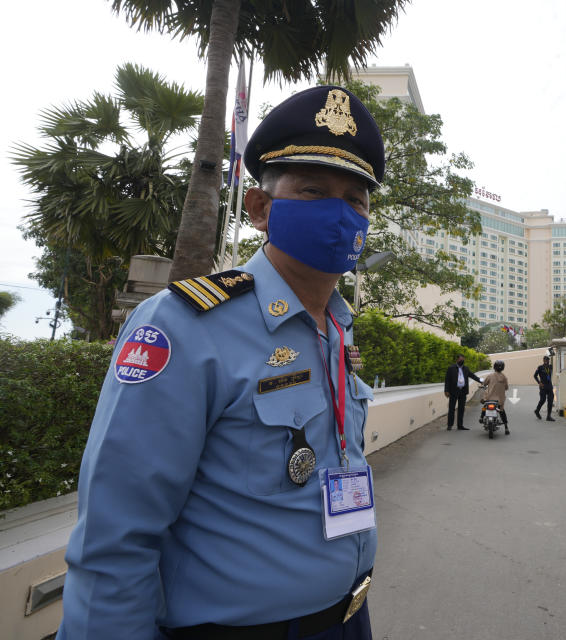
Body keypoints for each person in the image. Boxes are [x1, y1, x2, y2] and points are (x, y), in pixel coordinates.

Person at [58, 85, 385, 640]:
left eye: (355, 199)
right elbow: (116, 534)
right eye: (313, 191)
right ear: (259, 208)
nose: (339, 212)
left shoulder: (337, 324)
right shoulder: (183, 326)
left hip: (349, 619)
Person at [444, 353, 482, 430]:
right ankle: (450, 425)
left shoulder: (466, 369)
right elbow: (447, 380)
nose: (462, 360)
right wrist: (446, 391)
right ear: (457, 360)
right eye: (461, 359)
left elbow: (473, 376)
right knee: (451, 409)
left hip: (463, 392)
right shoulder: (451, 368)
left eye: (463, 359)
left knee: (461, 409)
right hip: (453, 391)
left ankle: (460, 425)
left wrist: (481, 381)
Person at [482, 360, 510, 435]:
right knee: (502, 411)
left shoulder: (490, 376)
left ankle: (481, 417)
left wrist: (484, 385)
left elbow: (484, 383)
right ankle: (506, 427)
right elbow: (506, 388)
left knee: (485, 406)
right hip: (500, 400)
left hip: (490, 398)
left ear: (494, 367)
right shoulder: (504, 377)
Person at [533, 355, 555, 421]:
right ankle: (537, 410)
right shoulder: (540, 367)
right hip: (543, 386)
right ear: (543, 360)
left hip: (549, 386)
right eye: (545, 360)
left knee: (550, 401)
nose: (546, 361)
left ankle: (549, 416)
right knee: (543, 399)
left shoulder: (550, 367)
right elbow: (535, 376)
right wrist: (539, 383)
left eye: (547, 360)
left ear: (549, 361)